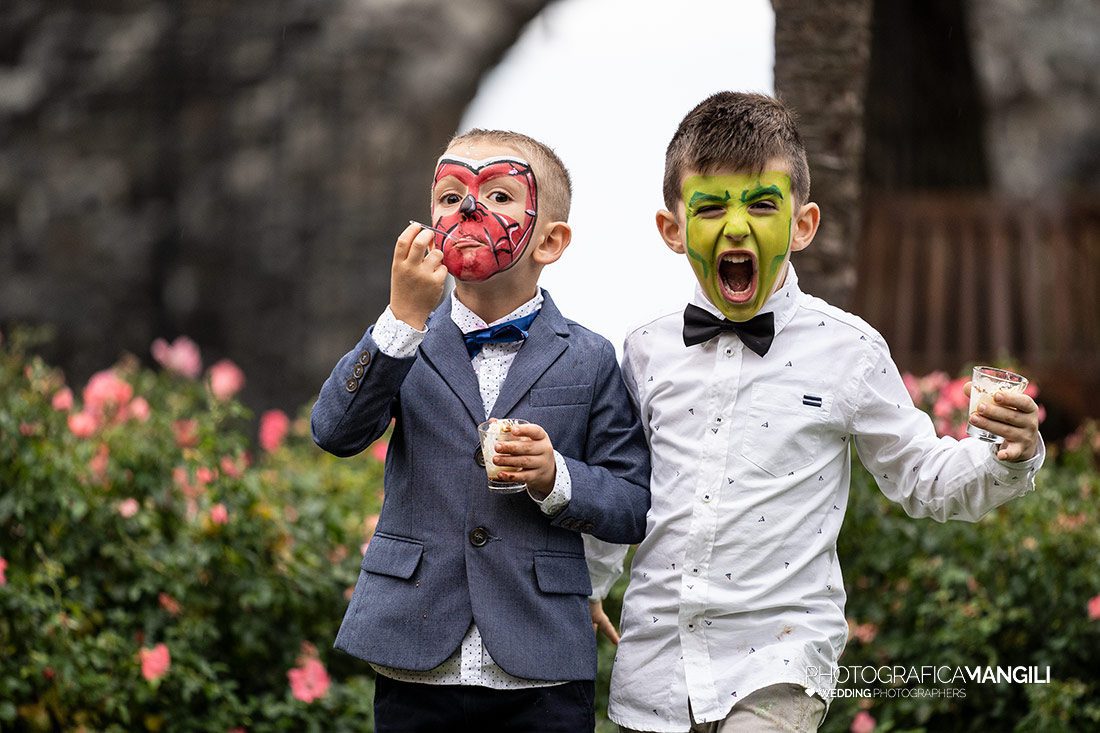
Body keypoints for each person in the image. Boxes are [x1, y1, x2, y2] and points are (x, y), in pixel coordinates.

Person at [586, 92, 1044, 733]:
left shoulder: (849, 350)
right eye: (711, 207)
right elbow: (620, 486)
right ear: (672, 228)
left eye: (762, 204)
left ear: (803, 225)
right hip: (657, 665)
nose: (736, 228)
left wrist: (1006, 454)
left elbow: (920, 474)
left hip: (780, 661)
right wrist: (585, 583)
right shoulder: (643, 350)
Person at [311, 128, 650, 732]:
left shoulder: (591, 357)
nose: (468, 208)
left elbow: (630, 502)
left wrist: (557, 478)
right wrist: (401, 318)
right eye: (449, 195)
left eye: (497, 195)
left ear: (551, 240)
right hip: (416, 658)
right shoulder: (404, 337)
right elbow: (335, 431)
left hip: (541, 665)